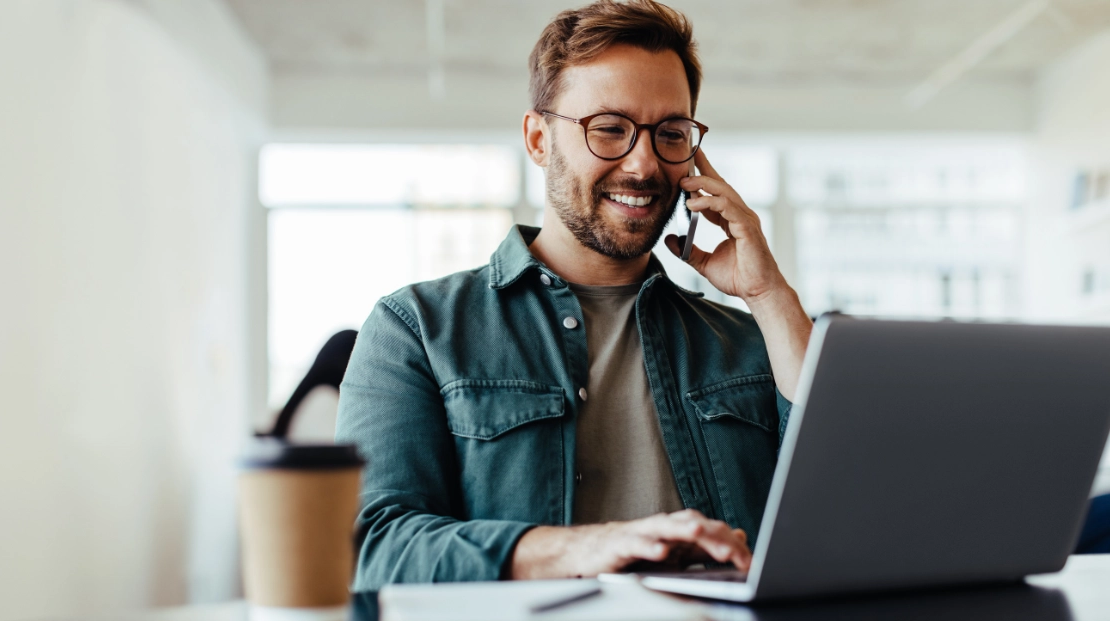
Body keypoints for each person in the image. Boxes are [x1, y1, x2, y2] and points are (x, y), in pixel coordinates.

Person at [335, 0, 813, 590]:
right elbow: (370, 547)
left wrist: (769, 295)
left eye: (670, 133)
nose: (644, 164)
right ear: (539, 138)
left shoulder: (747, 342)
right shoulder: (416, 329)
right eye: (609, 128)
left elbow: (850, 507)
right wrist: (587, 547)